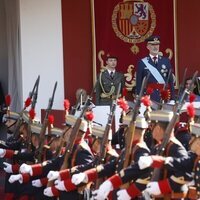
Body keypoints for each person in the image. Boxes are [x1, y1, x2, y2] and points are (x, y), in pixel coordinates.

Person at [136, 35, 175, 102]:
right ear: (148, 47)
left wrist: (172, 98)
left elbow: (170, 81)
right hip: (149, 96)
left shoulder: (166, 61)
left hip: (164, 95)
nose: (155, 47)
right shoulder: (142, 62)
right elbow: (139, 82)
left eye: (157, 44)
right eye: (153, 45)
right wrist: (140, 98)